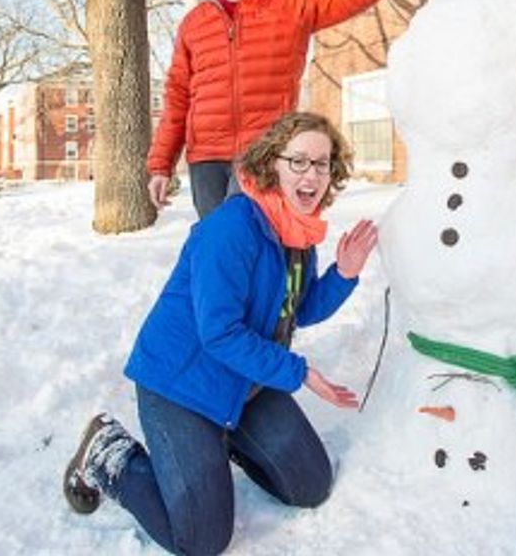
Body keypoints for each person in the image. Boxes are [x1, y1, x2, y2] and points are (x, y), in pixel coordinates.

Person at [64, 112, 378, 554]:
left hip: (244, 381)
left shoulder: (298, 233)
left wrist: (343, 275)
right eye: (300, 161)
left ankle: (219, 443)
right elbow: (220, 334)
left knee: (310, 484)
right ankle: (109, 452)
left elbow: (296, 311)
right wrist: (299, 372)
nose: (313, 174)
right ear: (274, 164)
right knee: (202, 539)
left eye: (323, 163)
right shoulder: (232, 228)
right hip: (181, 384)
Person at [148, 0, 429, 218]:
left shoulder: (289, 6)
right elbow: (178, 99)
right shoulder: (194, 24)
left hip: (263, 153)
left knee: (248, 239)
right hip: (206, 162)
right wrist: (160, 165)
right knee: (218, 252)